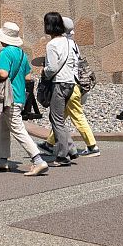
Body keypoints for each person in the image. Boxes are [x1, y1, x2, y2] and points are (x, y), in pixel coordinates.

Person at [0, 22, 48, 176]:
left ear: (3, 38)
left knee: (17, 128)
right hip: (19, 96)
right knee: (3, 127)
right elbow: (28, 77)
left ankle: (38, 160)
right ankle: (3, 160)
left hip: (8, 97)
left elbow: (3, 74)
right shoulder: (23, 54)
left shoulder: (5, 53)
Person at [38, 13, 80, 166]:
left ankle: (63, 156)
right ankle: (71, 148)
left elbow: (52, 67)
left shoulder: (52, 44)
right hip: (70, 83)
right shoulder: (70, 42)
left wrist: (44, 72)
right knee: (57, 118)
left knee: (56, 120)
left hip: (59, 83)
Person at [55, 16, 100, 159]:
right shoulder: (73, 44)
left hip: (69, 84)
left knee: (77, 116)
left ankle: (92, 146)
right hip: (74, 83)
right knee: (60, 116)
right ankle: (49, 143)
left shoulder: (63, 44)